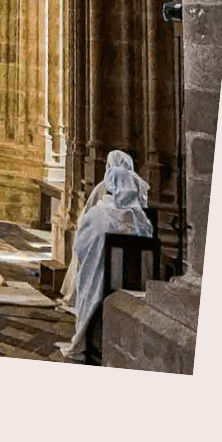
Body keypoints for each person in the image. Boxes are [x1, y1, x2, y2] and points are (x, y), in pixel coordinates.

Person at [60, 165, 153, 360]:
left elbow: (80, 247)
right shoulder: (141, 219)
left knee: (89, 276)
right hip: (135, 284)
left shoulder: (97, 214)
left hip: (101, 283)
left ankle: (90, 341)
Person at [62, 148, 150, 304]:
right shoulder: (139, 186)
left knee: (87, 243)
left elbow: (87, 215)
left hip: (107, 245)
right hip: (135, 246)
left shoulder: (104, 186)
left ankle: (87, 293)